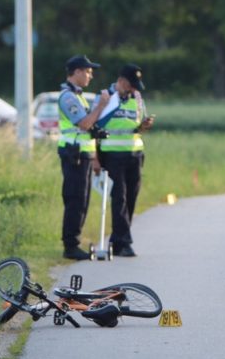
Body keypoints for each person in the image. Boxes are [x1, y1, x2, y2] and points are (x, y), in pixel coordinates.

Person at [95, 64, 155, 257]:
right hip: (112, 154)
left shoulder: (136, 98)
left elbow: (136, 126)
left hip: (135, 153)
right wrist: (95, 157)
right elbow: (93, 127)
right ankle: (125, 242)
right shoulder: (105, 97)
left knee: (131, 197)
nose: (135, 89)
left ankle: (117, 239)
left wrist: (144, 125)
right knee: (119, 196)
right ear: (121, 81)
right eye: (132, 85)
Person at [58, 54, 110, 260]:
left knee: (83, 199)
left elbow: (89, 130)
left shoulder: (78, 95)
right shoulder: (68, 97)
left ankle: (74, 241)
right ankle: (70, 245)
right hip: (74, 154)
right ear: (77, 72)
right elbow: (85, 124)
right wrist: (101, 105)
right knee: (75, 199)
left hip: (84, 154)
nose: (90, 76)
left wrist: (95, 157)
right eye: (87, 72)